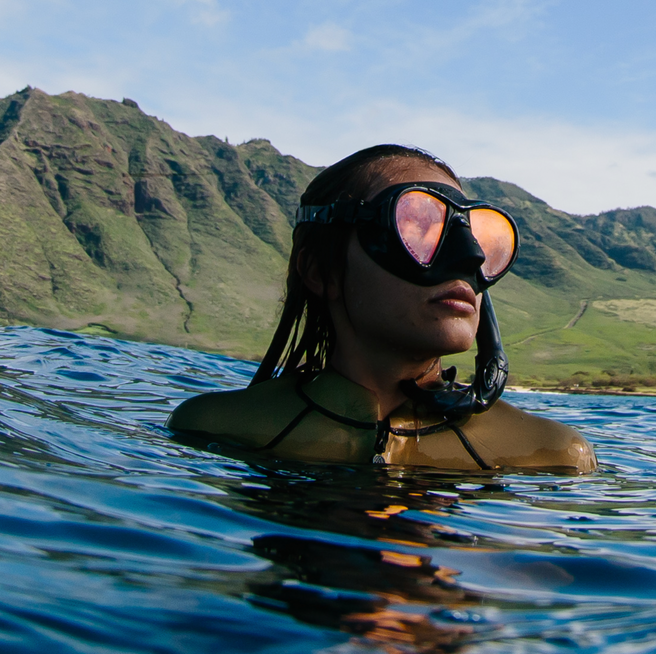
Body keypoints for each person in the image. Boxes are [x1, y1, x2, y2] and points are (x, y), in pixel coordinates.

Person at [168, 144, 596, 472]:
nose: (471, 257)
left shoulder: (553, 457)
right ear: (321, 271)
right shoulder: (210, 427)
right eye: (419, 226)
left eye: (482, 237)